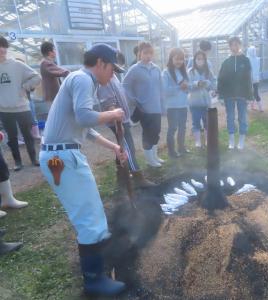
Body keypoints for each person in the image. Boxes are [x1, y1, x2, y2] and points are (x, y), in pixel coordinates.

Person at [39, 43, 128, 297]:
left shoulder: (77, 80)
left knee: (87, 213)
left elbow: (85, 129)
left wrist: (113, 146)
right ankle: (94, 282)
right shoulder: (82, 78)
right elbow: (85, 117)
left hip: (58, 156)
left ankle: (95, 274)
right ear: (100, 63)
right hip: (61, 157)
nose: (113, 75)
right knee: (90, 218)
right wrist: (113, 113)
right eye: (112, 68)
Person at [97, 53, 155, 188]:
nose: (114, 72)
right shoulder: (104, 82)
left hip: (123, 119)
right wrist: (119, 125)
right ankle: (138, 177)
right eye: (114, 69)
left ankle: (122, 176)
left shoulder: (113, 77)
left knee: (122, 148)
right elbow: (108, 103)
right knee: (129, 149)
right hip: (118, 122)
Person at [0, 36, 41, 171]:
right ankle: (18, 162)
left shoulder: (17, 64)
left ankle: (33, 158)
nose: (1, 49)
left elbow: (36, 76)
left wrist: (25, 87)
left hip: (22, 108)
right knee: (11, 138)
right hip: (4, 110)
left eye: (4, 46)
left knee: (28, 135)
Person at [123, 42, 164, 168]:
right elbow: (125, 86)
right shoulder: (134, 69)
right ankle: (149, 160)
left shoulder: (156, 69)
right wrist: (134, 100)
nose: (148, 56)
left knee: (156, 132)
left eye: (150, 53)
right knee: (147, 133)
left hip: (156, 107)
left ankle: (155, 156)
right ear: (139, 54)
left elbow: (161, 88)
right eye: (145, 53)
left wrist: (163, 104)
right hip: (143, 108)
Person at [217, 37, 253, 150]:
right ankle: (231, 139)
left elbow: (249, 79)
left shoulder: (245, 60)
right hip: (228, 95)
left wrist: (249, 96)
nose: (235, 47)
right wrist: (221, 95)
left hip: (242, 94)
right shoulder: (226, 62)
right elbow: (221, 79)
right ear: (230, 47)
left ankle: (241, 139)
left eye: (237, 44)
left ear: (240, 45)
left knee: (242, 116)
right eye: (232, 45)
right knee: (230, 117)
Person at [162, 48, 190, 158]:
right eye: (177, 59)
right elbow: (165, 91)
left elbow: (187, 88)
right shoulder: (166, 72)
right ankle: (171, 152)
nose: (179, 61)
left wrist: (190, 87)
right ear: (171, 58)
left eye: (181, 59)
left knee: (183, 127)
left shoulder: (184, 72)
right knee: (172, 128)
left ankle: (181, 148)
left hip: (183, 105)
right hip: (172, 107)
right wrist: (179, 87)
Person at [188, 51, 216, 148]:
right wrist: (197, 84)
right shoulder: (190, 71)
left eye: (202, 59)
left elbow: (213, 83)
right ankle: (198, 141)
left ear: (205, 60)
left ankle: (208, 140)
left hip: (206, 102)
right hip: (194, 102)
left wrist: (208, 84)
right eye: (198, 59)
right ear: (194, 60)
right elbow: (188, 86)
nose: (200, 61)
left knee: (207, 122)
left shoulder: (209, 71)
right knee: (195, 122)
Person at [246, 46, 263, 112]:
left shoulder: (248, 59)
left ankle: (259, 108)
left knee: (251, 93)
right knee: (254, 93)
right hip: (255, 79)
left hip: (250, 79)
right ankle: (255, 107)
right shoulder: (257, 59)